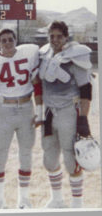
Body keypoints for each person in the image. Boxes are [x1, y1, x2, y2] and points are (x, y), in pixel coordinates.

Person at [0, 28, 43, 209]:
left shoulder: (28, 53)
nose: (7, 43)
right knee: (0, 155)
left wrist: (40, 111)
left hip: (26, 108)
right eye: (3, 40)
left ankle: (24, 199)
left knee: (26, 154)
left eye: (10, 39)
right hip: (4, 110)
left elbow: (37, 85)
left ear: (16, 39)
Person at [38, 20, 93, 208]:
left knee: (71, 158)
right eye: (51, 36)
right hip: (48, 111)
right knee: (49, 157)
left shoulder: (75, 55)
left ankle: (77, 203)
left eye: (59, 36)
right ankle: (57, 199)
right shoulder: (44, 54)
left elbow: (86, 90)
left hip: (68, 110)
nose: (55, 39)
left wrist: (83, 118)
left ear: (66, 37)